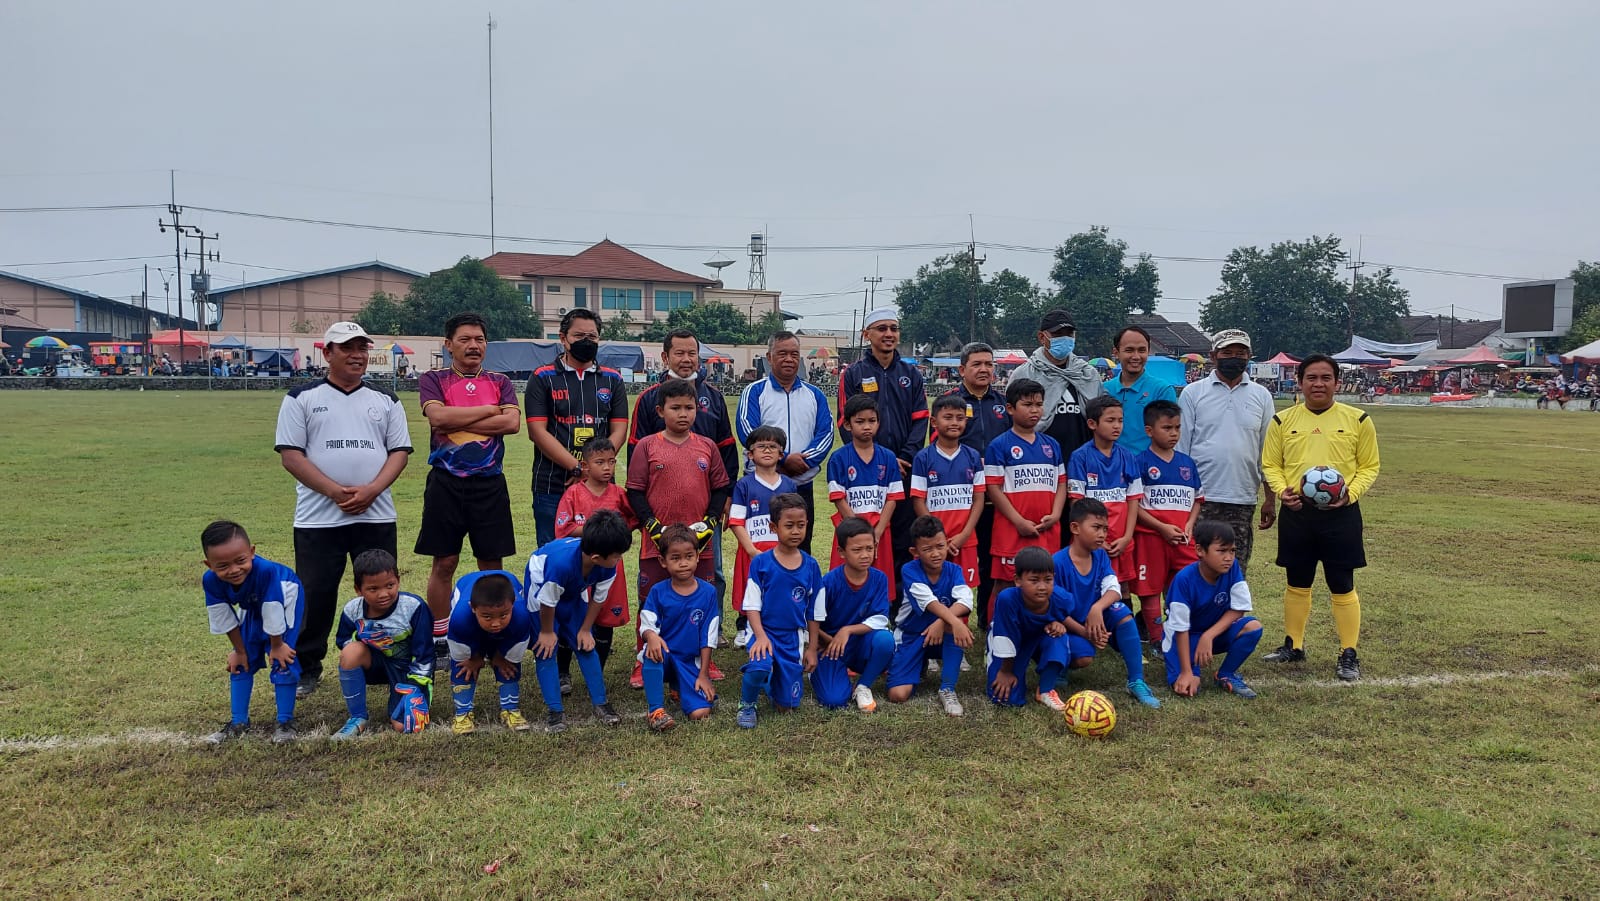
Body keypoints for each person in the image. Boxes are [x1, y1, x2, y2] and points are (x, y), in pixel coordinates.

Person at [274, 321, 411, 700]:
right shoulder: (301, 398)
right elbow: (291, 455)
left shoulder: (386, 400)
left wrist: (372, 490)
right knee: (316, 593)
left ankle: (386, 659)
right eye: (347, 348)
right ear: (327, 353)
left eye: (362, 348)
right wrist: (335, 492)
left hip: (376, 514)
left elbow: (399, 453)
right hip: (319, 518)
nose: (357, 355)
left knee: (381, 592)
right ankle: (308, 665)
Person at [1260, 353, 1381, 681]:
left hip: (1341, 515)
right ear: (1299, 382)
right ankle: (1293, 645)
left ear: (1336, 383)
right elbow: (1271, 464)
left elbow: (1369, 466)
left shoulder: (1358, 420)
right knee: (1297, 581)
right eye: (1311, 377)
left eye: (1325, 378)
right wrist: (1282, 490)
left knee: (1341, 583)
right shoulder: (1282, 421)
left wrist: (1349, 494)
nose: (1318, 383)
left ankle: (1348, 652)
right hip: (1297, 514)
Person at [415, 312, 522, 656]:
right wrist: (491, 411)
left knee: (491, 565)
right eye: (464, 339)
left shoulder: (501, 380)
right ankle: (440, 637)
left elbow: (513, 424)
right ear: (448, 345)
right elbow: (438, 418)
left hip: (489, 484)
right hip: (446, 483)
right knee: (444, 563)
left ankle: (490, 631)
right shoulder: (434, 379)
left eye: (479, 339)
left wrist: (465, 419)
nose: (473, 346)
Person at [628, 329, 738, 600]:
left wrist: (726, 497)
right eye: (680, 352)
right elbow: (635, 456)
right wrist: (645, 514)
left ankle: (712, 626)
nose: (687, 359)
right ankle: (651, 631)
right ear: (666, 356)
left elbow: (726, 447)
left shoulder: (713, 397)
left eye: (692, 353)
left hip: (703, 507)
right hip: (659, 509)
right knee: (658, 570)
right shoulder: (648, 398)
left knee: (712, 569)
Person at [625, 378, 732, 633]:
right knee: (651, 601)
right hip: (656, 542)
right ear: (661, 411)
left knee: (700, 600)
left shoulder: (707, 446)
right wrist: (652, 526)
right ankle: (646, 659)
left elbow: (720, 488)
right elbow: (635, 491)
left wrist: (709, 522)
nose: (683, 414)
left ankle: (700, 657)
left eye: (689, 407)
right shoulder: (647, 445)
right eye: (676, 408)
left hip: (699, 542)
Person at [1176, 328, 1277, 572]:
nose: (1234, 357)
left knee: (1233, 569)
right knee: (1194, 568)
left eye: (1241, 353)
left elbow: (1268, 451)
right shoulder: (1193, 393)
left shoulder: (1261, 396)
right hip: (1200, 499)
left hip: (1241, 498)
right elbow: (1181, 449)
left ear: (1249, 356)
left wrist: (1270, 499)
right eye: (1227, 352)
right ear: (1213, 356)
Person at [526, 309, 630, 546]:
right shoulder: (542, 377)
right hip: (552, 484)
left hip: (601, 486)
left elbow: (619, 431)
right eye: (579, 335)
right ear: (563, 338)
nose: (586, 341)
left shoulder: (613, 379)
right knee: (554, 555)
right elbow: (537, 432)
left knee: (601, 553)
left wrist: (595, 468)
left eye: (592, 337)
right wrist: (577, 468)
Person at [837, 308, 928, 577]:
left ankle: (898, 602)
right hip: (867, 471)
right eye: (882, 328)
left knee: (903, 537)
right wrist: (880, 459)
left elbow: (921, 418)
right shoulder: (853, 374)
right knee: (865, 535)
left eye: (894, 328)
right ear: (867, 335)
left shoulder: (911, 374)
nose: (889, 334)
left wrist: (905, 458)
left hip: (905, 469)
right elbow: (845, 419)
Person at [524, 509, 632, 733]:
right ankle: (555, 712)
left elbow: (598, 599)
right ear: (596, 558)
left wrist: (585, 629)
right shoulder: (560, 566)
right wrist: (546, 632)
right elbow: (548, 602)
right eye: (617, 555)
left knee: (585, 645)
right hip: (542, 593)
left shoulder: (607, 566)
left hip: (572, 590)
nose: (620, 559)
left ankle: (601, 703)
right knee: (546, 649)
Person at [199, 520, 302, 744]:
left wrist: (277, 646)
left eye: (240, 561)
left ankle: (285, 722)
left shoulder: (265, 571)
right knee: (241, 660)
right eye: (223, 566)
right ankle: (238, 722)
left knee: (284, 658)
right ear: (209, 564)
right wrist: (239, 650)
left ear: (252, 552)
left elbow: (273, 609)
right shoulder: (210, 581)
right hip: (253, 603)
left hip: (284, 598)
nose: (234, 570)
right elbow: (224, 617)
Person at [1053, 499, 1162, 708]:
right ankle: (1060, 666)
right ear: (1075, 528)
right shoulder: (1057, 563)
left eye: (1105, 528)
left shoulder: (1101, 556)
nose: (1102, 534)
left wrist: (1097, 608)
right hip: (1068, 627)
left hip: (1096, 620)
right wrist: (1085, 632)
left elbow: (1114, 589)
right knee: (1083, 657)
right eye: (1096, 528)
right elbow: (1055, 612)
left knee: (1123, 612)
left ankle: (1136, 680)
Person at [736, 331, 834, 554]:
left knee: (800, 546)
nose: (789, 359)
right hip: (760, 486)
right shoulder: (754, 391)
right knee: (761, 548)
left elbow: (826, 433)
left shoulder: (815, 394)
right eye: (782, 354)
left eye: (794, 354)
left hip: (801, 484)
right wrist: (784, 458)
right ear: (769, 358)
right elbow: (748, 432)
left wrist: (803, 462)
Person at [556, 437, 636, 689]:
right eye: (599, 462)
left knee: (605, 621)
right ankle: (562, 673)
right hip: (580, 568)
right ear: (585, 465)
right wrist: (596, 531)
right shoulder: (573, 494)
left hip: (611, 568)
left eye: (611, 462)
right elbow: (563, 529)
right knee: (571, 618)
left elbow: (631, 522)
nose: (607, 468)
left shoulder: (619, 495)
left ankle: (596, 672)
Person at [983, 378, 1068, 616]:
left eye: (1039, 404)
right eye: (1028, 404)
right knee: (1005, 584)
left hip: (1046, 530)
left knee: (1044, 584)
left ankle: (1039, 632)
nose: (1035, 410)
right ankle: (996, 632)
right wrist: (1018, 521)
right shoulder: (999, 446)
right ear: (1010, 408)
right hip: (1011, 531)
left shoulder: (1051, 445)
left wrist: (1057, 514)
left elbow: (1062, 483)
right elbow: (994, 488)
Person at [940, 342, 1010, 625]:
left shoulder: (1003, 404)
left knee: (992, 559)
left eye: (989, 364)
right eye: (977, 364)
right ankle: (953, 614)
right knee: (961, 558)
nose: (984, 369)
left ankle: (987, 619)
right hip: (963, 500)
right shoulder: (951, 402)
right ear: (962, 369)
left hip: (998, 497)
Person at [738, 493, 822, 728]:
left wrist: (812, 648)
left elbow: (814, 612)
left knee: (786, 707)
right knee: (760, 664)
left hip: (791, 636)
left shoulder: (811, 566)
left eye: (801, 525)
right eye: (789, 526)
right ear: (774, 527)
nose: (796, 531)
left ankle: (771, 680)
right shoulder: (761, 563)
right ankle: (747, 704)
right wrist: (761, 636)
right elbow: (752, 606)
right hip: (762, 630)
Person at [330, 550, 435, 738]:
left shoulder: (414, 607)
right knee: (351, 652)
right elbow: (342, 641)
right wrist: (363, 638)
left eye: (390, 585)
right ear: (358, 589)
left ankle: (408, 693)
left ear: (398, 580)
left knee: (403, 727)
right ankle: (357, 717)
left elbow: (425, 653)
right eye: (373, 589)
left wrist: (415, 687)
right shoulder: (352, 610)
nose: (383, 594)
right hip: (376, 663)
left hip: (407, 668)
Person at [1067, 395, 1146, 632]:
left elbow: (1133, 500)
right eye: (1110, 420)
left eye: (1120, 420)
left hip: (1121, 539)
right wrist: (1090, 539)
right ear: (1092, 424)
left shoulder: (1127, 457)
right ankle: (1085, 629)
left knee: (1122, 587)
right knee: (1089, 584)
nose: (1117, 426)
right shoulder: (1080, 457)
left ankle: (1123, 635)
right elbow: (1076, 503)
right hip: (1091, 542)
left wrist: (1128, 536)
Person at [1162, 521, 1264, 699]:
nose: (1228, 557)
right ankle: (1186, 667)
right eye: (1221, 551)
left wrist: (1208, 636)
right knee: (1189, 688)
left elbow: (1239, 609)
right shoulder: (1183, 580)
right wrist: (1187, 672)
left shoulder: (1232, 569)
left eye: (1232, 551)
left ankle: (1225, 673)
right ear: (1200, 550)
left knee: (1253, 627)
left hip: (1210, 634)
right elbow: (1180, 629)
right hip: (1183, 637)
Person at [888, 515, 975, 716]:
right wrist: (954, 621)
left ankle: (948, 688)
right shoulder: (909, 570)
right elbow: (928, 601)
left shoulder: (954, 570)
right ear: (914, 552)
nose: (936, 554)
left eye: (940, 546)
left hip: (942, 633)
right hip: (911, 634)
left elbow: (966, 600)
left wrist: (943, 624)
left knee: (954, 631)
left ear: (947, 544)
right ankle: (918, 663)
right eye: (927, 549)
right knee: (898, 695)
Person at [1132, 400, 1204, 643]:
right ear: (1149, 430)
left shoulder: (1187, 463)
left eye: (1177, 428)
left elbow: (1197, 499)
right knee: (1150, 589)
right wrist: (1161, 527)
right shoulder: (1139, 462)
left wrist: (1189, 524)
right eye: (1167, 428)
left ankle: (1177, 634)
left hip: (1183, 539)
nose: (1174, 433)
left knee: (1183, 587)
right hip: (1151, 538)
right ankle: (1155, 639)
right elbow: (1134, 505)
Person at [807, 517, 896, 712]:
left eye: (869, 548)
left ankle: (863, 686)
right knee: (834, 700)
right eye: (857, 550)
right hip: (831, 647)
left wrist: (847, 630)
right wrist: (826, 640)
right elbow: (811, 620)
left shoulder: (880, 578)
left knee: (885, 640)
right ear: (841, 552)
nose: (865, 555)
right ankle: (819, 674)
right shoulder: (829, 582)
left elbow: (881, 619)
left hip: (860, 644)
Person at [639, 525, 721, 732]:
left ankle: (679, 688)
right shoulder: (658, 591)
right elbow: (646, 622)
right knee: (652, 651)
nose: (683, 563)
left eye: (689, 556)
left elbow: (708, 636)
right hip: (665, 656)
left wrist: (704, 675)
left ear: (697, 557)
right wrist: (651, 637)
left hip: (689, 662)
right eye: (675, 558)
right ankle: (656, 711)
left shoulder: (709, 592)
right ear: (663, 562)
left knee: (700, 714)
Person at [826, 394, 904, 595]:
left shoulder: (887, 457)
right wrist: (859, 530)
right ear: (848, 425)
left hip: (880, 532)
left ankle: (878, 618)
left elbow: (893, 498)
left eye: (872, 421)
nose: (867, 426)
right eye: (860, 422)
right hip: (850, 531)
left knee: (879, 582)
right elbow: (838, 498)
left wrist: (876, 532)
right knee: (845, 582)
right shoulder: (839, 458)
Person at [727, 425, 798, 644]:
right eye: (761, 446)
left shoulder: (789, 484)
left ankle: (783, 633)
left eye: (772, 446)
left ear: (781, 453)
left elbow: (795, 521)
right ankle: (748, 630)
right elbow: (736, 521)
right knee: (752, 593)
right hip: (754, 552)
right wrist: (751, 550)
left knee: (780, 594)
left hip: (782, 553)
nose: (767, 451)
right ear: (750, 454)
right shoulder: (744, 485)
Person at [910, 394, 986, 592]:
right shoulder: (923, 458)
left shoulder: (973, 456)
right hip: (933, 541)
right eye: (948, 417)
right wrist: (938, 537)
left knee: (963, 591)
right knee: (934, 589)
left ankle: (959, 624)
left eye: (960, 418)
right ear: (934, 422)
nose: (954, 422)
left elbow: (978, 499)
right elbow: (918, 499)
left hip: (965, 539)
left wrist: (965, 534)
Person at [444, 568, 533, 734]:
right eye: (488, 617)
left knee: (508, 664)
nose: (496, 623)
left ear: (512, 605)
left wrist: (498, 657)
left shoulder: (521, 617)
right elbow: (461, 654)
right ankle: (462, 713)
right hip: (467, 619)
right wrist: (475, 658)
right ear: (473, 608)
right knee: (463, 666)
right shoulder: (459, 620)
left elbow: (515, 646)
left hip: (510, 617)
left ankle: (510, 709)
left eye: (503, 615)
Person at [1007, 309, 1103, 460]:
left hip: (1083, 461)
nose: (1065, 339)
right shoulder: (1024, 374)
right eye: (1058, 334)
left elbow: (1100, 419)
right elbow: (1011, 421)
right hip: (1038, 460)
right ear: (1041, 337)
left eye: (1069, 334)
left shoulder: (1088, 374)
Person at [984, 546, 1072, 708]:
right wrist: (1005, 671)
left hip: (1038, 637)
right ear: (1018, 580)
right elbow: (1004, 637)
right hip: (1011, 640)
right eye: (1034, 580)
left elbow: (1066, 616)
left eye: (1048, 579)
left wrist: (1059, 623)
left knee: (1061, 638)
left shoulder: (1062, 598)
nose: (1042, 586)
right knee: (1004, 699)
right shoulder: (1007, 599)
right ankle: (995, 662)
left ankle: (1046, 689)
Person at [1105, 326, 1178, 454]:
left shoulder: (1162, 390)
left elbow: (1167, 438)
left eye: (1142, 350)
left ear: (1148, 352)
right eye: (1129, 350)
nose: (1136, 356)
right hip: (1110, 468)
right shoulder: (1104, 390)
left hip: (1148, 470)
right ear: (1116, 353)